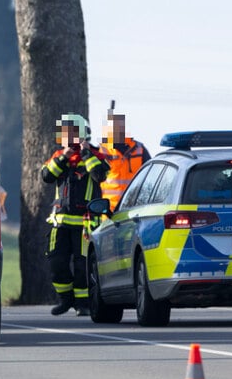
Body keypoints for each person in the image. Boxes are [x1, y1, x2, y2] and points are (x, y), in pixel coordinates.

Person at [41, 113, 109, 317]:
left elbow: (100, 175)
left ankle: (83, 303)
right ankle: (65, 299)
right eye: (64, 132)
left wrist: (86, 154)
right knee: (56, 262)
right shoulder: (59, 156)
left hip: (85, 224)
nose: (66, 136)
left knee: (83, 265)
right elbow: (46, 176)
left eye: (69, 132)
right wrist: (64, 156)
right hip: (60, 222)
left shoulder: (95, 154)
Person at [98, 104, 150, 210]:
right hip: (109, 209)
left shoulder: (139, 149)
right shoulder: (102, 150)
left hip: (135, 207)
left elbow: (151, 175)